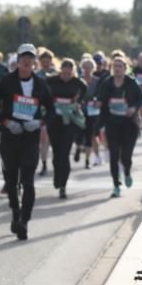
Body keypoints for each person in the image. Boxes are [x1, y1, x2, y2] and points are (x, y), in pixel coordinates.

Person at [0, 43, 55, 240]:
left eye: (30, 57)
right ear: (17, 60)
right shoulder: (6, 81)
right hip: (10, 135)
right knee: (11, 180)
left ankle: (24, 221)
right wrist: (6, 121)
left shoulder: (41, 85)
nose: (27, 61)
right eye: (23, 57)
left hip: (30, 137)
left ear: (34, 62)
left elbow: (51, 110)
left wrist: (39, 122)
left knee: (28, 180)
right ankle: (15, 212)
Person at [96, 53, 142, 197]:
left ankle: (127, 172)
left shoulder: (131, 82)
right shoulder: (107, 83)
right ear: (112, 68)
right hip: (112, 123)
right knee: (114, 154)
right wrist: (98, 102)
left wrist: (133, 108)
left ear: (125, 68)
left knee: (126, 157)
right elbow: (100, 98)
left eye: (120, 66)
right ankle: (116, 185)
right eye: (115, 66)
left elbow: (141, 100)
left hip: (129, 124)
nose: (117, 69)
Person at [45, 59, 88, 198]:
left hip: (70, 121)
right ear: (60, 71)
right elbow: (42, 89)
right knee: (56, 154)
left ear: (73, 72)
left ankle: (63, 185)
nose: (65, 76)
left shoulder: (77, 82)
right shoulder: (52, 80)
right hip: (54, 120)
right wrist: (49, 102)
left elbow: (84, 89)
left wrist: (79, 101)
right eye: (63, 73)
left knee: (65, 153)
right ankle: (57, 176)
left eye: (69, 73)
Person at [35, 49, 58, 177]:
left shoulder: (57, 75)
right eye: (43, 62)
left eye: (48, 62)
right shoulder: (36, 75)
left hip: (57, 110)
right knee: (43, 139)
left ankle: (56, 161)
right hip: (42, 110)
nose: (45, 64)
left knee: (54, 139)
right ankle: (44, 163)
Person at [79, 57, 105, 168]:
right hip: (80, 110)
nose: (87, 69)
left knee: (93, 135)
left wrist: (96, 100)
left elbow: (100, 95)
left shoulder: (97, 81)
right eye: (85, 67)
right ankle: (79, 148)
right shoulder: (79, 80)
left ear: (92, 68)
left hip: (93, 111)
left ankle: (92, 158)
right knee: (80, 133)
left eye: (89, 67)